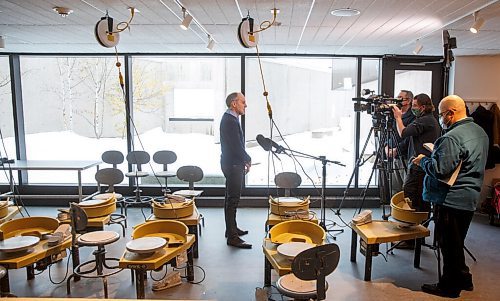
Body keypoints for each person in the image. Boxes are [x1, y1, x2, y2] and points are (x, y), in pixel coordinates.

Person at [413, 95, 488, 298]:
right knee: (456, 242)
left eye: (441, 114)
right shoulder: (479, 132)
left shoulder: (452, 137)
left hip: (450, 199)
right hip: (469, 197)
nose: (440, 118)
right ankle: (464, 279)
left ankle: (449, 287)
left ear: (451, 113)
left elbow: (441, 170)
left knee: (448, 244)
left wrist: (423, 161)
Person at [392, 93, 440, 248]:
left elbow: (403, 133)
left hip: (419, 167)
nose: (412, 109)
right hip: (421, 166)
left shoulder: (425, 121)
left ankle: (413, 239)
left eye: (414, 106)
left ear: (423, 107)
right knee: (420, 201)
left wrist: (398, 117)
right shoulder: (428, 120)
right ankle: (418, 237)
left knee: (412, 197)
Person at [220, 92, 252, 249]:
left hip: (231, 163)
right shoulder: (230, 121)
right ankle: (232, 237)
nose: (245, 105)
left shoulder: (230, 119)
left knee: (230, 199)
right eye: (243, 102)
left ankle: (231, 229)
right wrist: (247, 158)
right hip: (233, 165)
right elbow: (236, 146)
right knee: (233, 200)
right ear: (234, 103)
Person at [386, 90, 416, 196]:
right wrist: (387, 146)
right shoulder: (394, 115)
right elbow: (389, 131)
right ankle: (394, 210)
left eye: (400, 97)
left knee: (405, 187)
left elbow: (409, 138)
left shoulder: (413, 117)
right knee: (394, 187)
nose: (397, 99)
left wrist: (396, 149)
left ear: (408, 101)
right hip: (393, 156)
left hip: (405, 156)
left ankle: (404, 210)